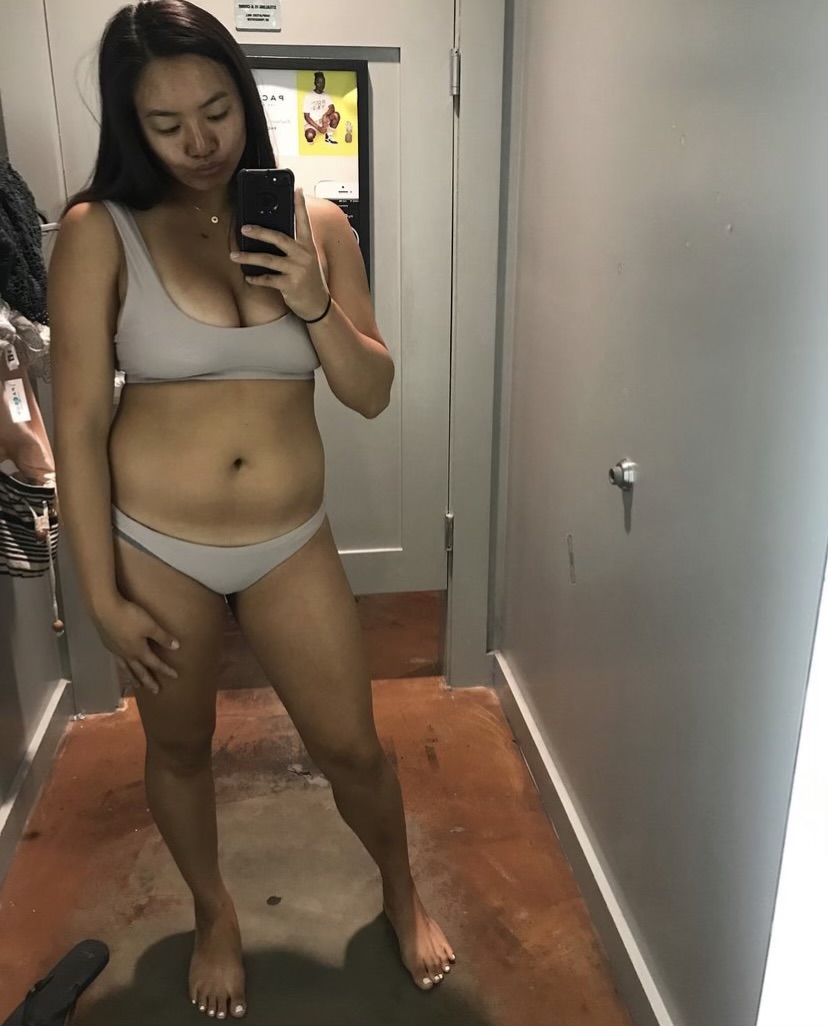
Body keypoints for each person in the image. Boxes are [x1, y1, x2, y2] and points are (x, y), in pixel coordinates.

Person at [49, 1, 454, 1020]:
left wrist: (312, 298)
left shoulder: (316, 224)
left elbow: (371, 393)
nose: (199, 142)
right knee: (179, 746)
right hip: (156, 546)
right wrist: (99, 595)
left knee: (352, 746)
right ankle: (214, 911)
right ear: (131, 125)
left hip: (289, 540)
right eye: (166, 123)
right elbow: (80, 426)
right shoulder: (99, 233)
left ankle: (400, 889)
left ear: (246, 98)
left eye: (217, 110)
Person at [303, 71, 340, 145]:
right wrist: (318, 128)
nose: (321, 85)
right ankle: (311, 140)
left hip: (324, 121)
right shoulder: (309, 96)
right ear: (315, 83)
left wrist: (325, 115)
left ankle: (328, 136)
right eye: (319, 82)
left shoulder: (325, 95)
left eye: (323, 82)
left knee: (336, 115)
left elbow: (332, 107)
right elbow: (306, 116)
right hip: (313, 122)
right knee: (309, 135)